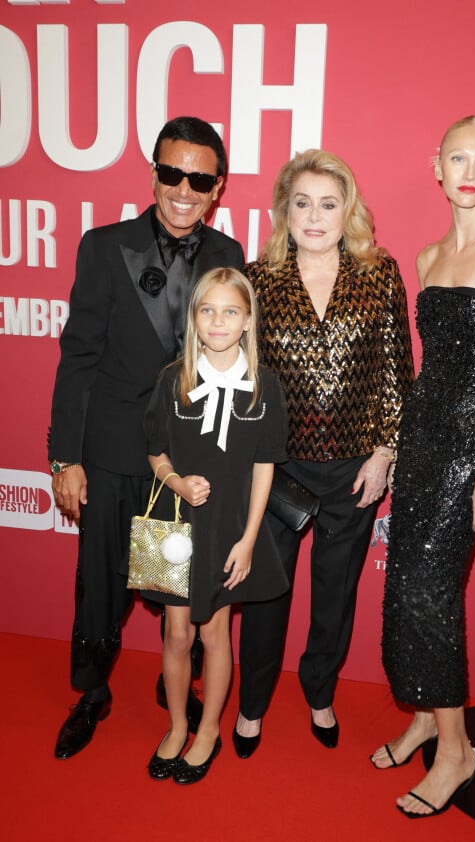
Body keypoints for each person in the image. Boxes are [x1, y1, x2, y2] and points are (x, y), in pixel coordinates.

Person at [49, 116, 244, 759]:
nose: (183, 189)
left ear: (217, 187)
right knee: (100, 580)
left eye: (200, 178)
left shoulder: (227, 257)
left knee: (170, 584)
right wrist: (64, 456)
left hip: (182, 459)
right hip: (108, 449)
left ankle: (176, 683)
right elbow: (77, 355)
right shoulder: (104, 245)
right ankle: (90, 690)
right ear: (153, 172)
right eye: (171, 172)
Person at [372, 116, 475, 818]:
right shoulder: (427, 257)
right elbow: (427, 367)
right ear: (437, 167)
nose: (470, 170)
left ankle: (456, 750)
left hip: (468, 450)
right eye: (458, 158)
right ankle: (424, 715)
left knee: (427, 594)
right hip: (420, 439)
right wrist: (397, 448)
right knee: (406, 583)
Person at [234, 149, 415, 757]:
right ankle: (252, 705)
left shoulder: (378, 273)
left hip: (352, 471)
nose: (315, 216)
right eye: (302, 202)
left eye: (328, 203)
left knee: (334, 594)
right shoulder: (258, 280)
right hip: (276, 470)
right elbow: (244, 377)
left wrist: (384, 453)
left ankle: (319, 691)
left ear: (348, 210)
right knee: (266, 593)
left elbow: (396, 368)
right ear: (285, 210)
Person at [143, 267, 289, 783]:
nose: (218, 321)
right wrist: (178, 482)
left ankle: (209, 730)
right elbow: (155, 452)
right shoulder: (172, 379)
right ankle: (178, 725)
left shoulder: (264, 387)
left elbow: (265, 467)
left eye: (230, 311)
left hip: (230, 530)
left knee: (215, 632)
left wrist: (249, 540)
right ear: (194, 318)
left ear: (248, 320)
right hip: (176, 525)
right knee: (177, 634)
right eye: (208, 310)